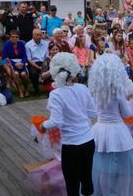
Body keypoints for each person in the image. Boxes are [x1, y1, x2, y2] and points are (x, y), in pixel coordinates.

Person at [39, 53, 97, 196]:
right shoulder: (83, 88)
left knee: (72, 183)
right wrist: (79, 116)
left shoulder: (56, 94)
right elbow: (92, 112)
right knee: (87, 179)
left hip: (71, 144)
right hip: (88, 141)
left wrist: (42, 125)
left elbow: (56, 122)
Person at [88, 54, 133, 196]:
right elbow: (127, 114)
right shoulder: (118, 93)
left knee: (103, 169)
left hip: (99, 130)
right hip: (118, 131)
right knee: (125, 168)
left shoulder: (95, 92)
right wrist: (128, 100)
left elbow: (93, 112)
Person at [2, 30, 30, 98]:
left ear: (18, 38)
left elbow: (25, 56)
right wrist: (15, 64)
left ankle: (26, 90)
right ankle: (20, 90)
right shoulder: (6, 45)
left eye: (16, 37)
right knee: (16, 74)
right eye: (13, 37)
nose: (14, 38)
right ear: (10, 37)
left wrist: (22, 63)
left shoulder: (21, 44)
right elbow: (5, 58)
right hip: (11, 63)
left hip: (21, 63)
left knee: (23, 74)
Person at [26, 29, 49, 96]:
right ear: (33, 36)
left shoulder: (46, 43)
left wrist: (44, 66)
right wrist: (38, 67)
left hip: (44, 62)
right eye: (37, 35)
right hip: (33, 63)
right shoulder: (28, 45)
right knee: (33, 73)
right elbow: (29, 59)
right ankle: (36, 90)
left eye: (40, 35)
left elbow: (47, 56)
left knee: (50, 71)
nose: (39, 36)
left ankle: (48, 89)